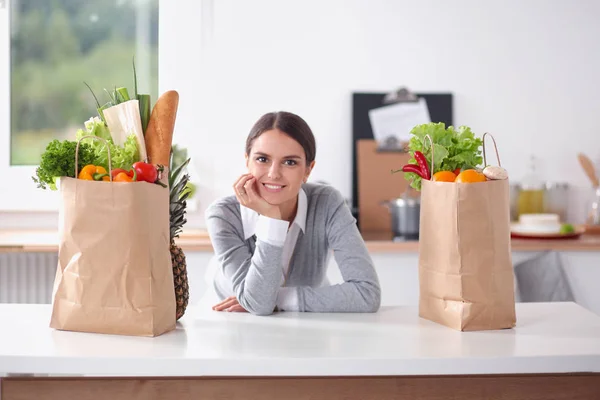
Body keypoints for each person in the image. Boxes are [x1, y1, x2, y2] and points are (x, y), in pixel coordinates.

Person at [205, 111, 381, 315]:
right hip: (227, 324)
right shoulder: (223, 216)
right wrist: (272, 219)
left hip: (302, 324)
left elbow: (367, 294)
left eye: (290, 162)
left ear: (308, 170)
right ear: (247, 161)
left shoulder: (326, 203)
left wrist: (278, 297)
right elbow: (260, 306)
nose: (273, 174)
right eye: (262, 159)